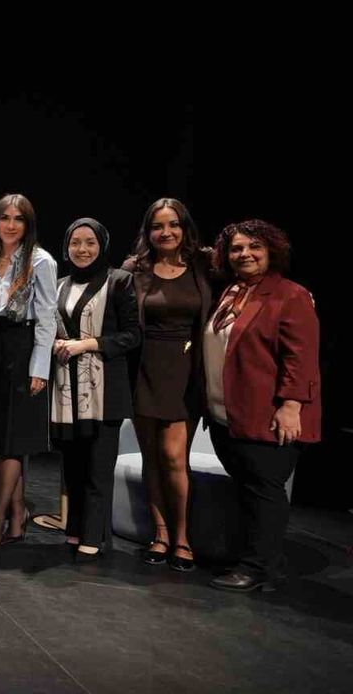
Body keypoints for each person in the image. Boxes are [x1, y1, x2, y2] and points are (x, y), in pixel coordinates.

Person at [203, 220, 321, 592]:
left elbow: (300, 358)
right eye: (237, 248)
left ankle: (257, 568)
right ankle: (265, 558)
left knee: (263, 491)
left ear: (271, 251)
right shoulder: (232, 292)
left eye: (254, 246)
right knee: (247, 490)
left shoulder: (290, 295)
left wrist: (291, 406)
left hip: (268, 415)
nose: (245, 254)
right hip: (228, 415)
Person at [122, 197, 215, 572]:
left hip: (187, 370)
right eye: (158, 226)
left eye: (173, 224)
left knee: (175, 457)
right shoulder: (135, 269)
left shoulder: (205, 265)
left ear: (184, 227)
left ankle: (182, 537)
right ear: (148, 232)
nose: (166, 232)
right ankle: (160, 535)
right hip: (144, 369)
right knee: (152, 457)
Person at [49, 218, 141, 561]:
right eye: (75, 243)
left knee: (98, 468)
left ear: (102, 245)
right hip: (66, 391)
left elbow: (132, 335)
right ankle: (75, 528)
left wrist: (87, 344)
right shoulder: (59, 285)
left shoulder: (119, 280)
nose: (82, 249)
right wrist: (56, 344)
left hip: (104, 392)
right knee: (73, 466)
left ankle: (94, 535)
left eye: (90, 242)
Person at [0, 193, 58, 555]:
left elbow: (47, 317)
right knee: (6, 440)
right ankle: (17, 516)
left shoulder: (41, 261)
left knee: (11, 442)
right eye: (5, 218)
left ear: (28, 225)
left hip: (23, 350)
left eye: (18, 219)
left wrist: (40, 367)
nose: (10, 225)